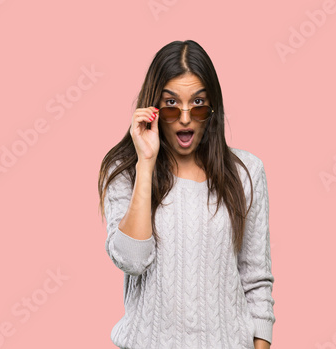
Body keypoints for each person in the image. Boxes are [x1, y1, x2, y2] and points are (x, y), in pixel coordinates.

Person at [98, 40, 275, 349]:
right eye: (170, 105)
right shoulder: (127, 170)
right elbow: (132, 260)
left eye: (198, 103)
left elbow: (256, 280)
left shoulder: (247, 171)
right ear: (152, 109)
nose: (184, 118)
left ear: (213, 108)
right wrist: (146, 163)